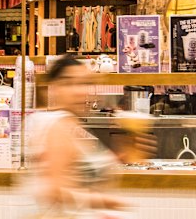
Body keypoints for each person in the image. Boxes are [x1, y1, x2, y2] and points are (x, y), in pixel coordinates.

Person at [27, 55, 155, 218]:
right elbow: (54, 190)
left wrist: (120, 157)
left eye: (84, 83)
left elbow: (77, 170)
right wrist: (106, 201)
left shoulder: (71, 124)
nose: (79, 91)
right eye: (69, 83)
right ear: (54, 87)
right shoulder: (56, 125)